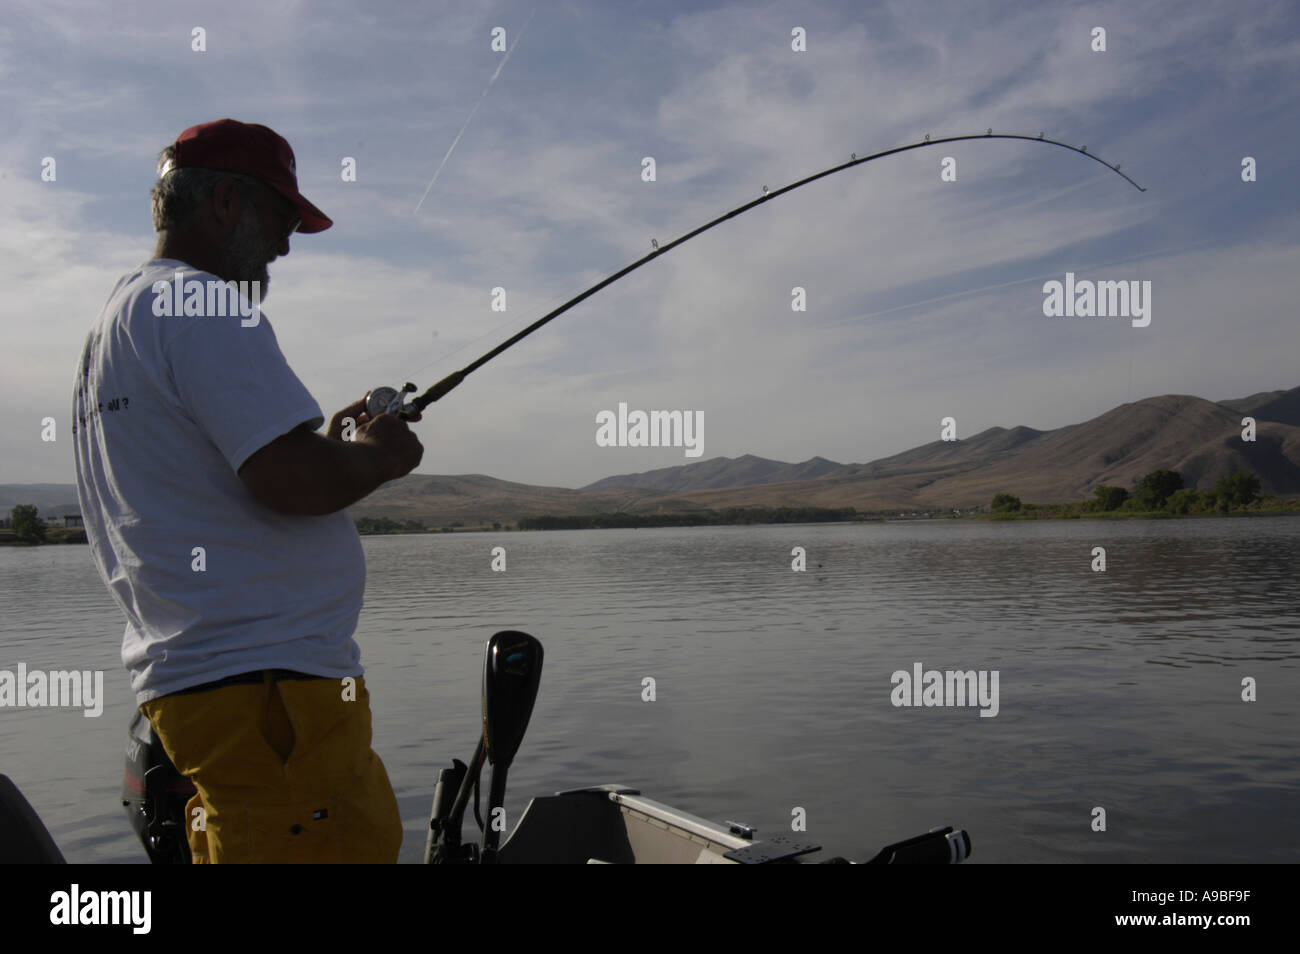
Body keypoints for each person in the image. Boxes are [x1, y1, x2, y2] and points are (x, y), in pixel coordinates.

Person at [72, 118, 422, 863]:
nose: (286, 244)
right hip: (271, 695)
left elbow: (242, 478)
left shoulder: (120, 318)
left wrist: (331, 455)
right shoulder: (203, 304)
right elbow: (287, 481)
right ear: (226, 202)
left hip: (217, 692)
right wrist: (377, 457)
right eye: (281, 218)